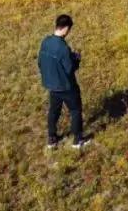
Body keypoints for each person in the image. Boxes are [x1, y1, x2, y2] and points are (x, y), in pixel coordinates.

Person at [37, 13, 91, 150]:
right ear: (66, 28)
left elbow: (40, 62)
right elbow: (70, 68)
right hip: (66, 86)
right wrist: (76, 59)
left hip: (52, 85)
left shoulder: (45, 41)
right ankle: (77, 140)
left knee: (54, 111)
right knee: (75, 110)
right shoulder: (63, 48)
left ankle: (52, 139)